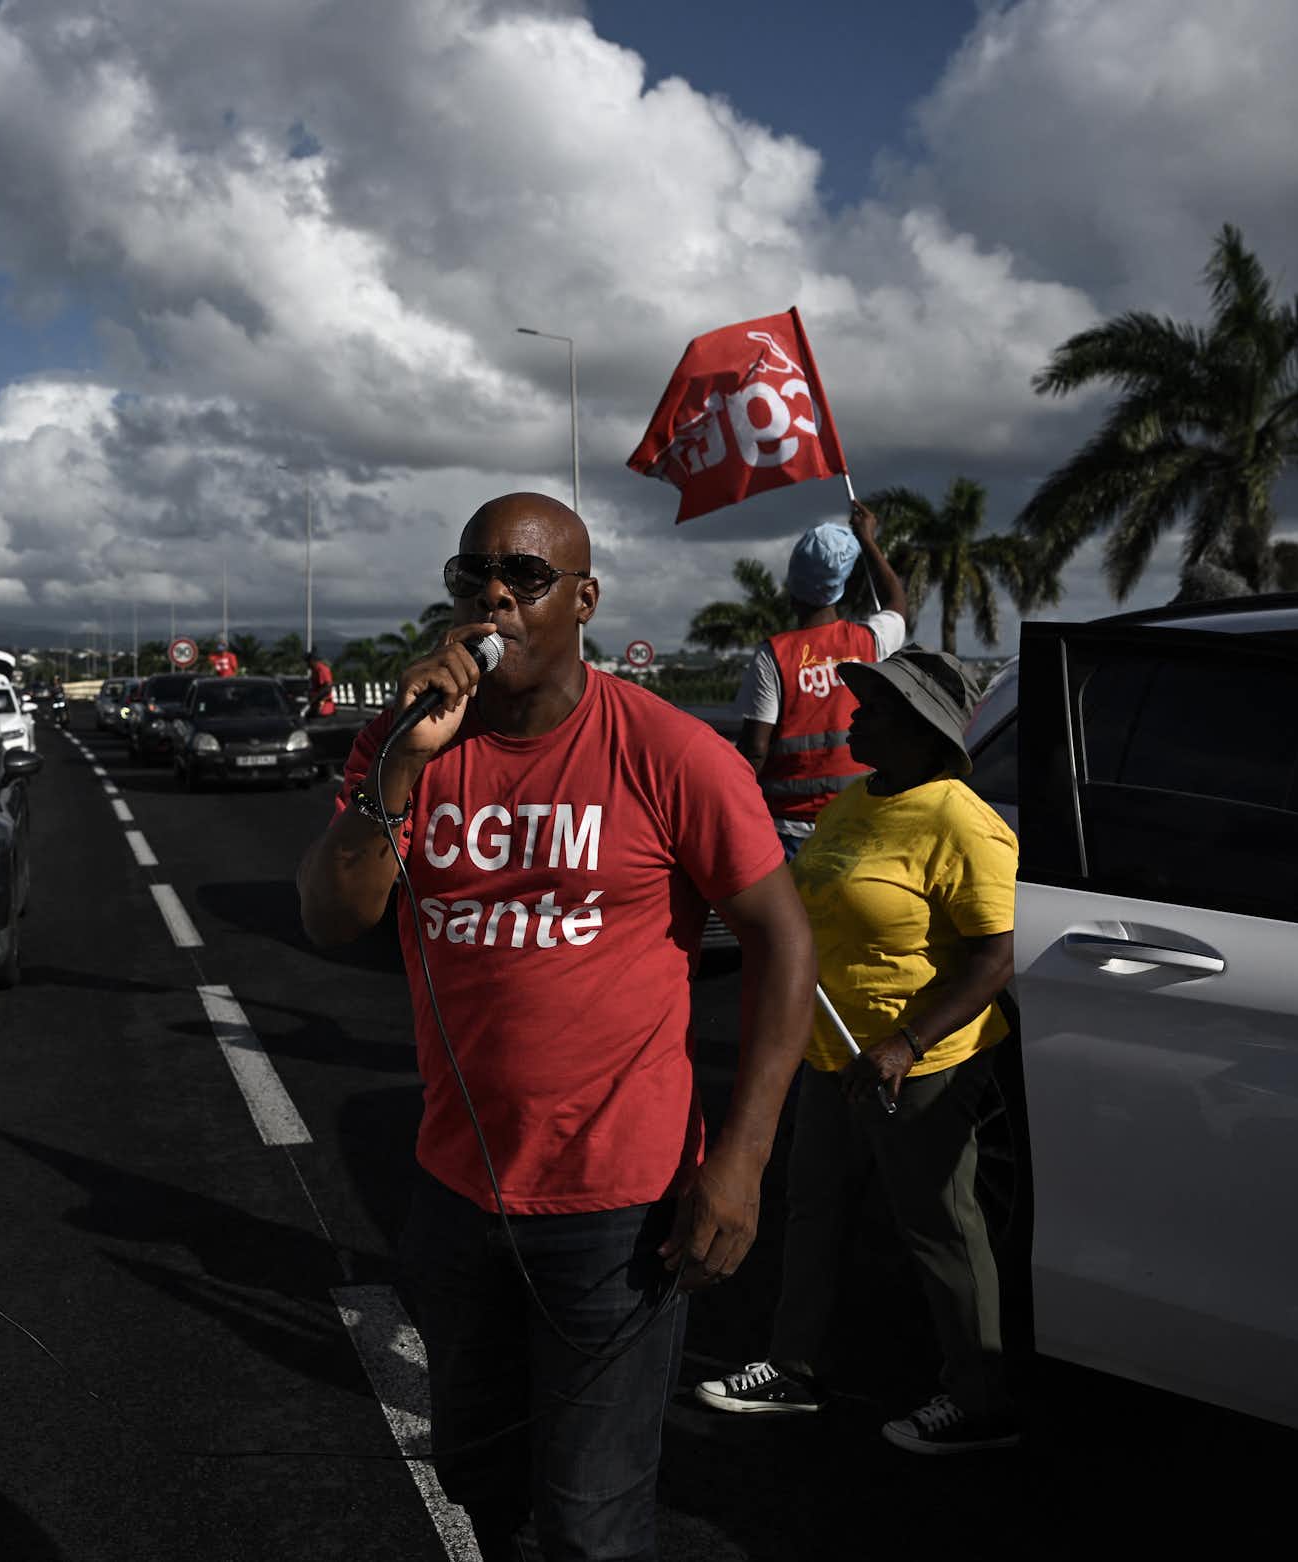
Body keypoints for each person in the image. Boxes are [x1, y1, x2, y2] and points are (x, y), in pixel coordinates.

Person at [296, 493, 814, 1561]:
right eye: (471, 572)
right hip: (454, 1188)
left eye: (525, 577)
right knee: (480, 1474)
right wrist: (398, 760)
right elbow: (330, 915)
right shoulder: (410, 747)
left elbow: (781, 941)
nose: (494, 594)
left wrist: (745, 1160)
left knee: (589, 1518)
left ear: (582, 599)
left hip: (617, 1211)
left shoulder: (669, 752)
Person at [693, 647, 1022, 1454]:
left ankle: (982, 1401)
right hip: (833, 1053)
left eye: (874, 710)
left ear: (920, 730)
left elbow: (997, 956)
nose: (853, 718)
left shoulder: (959, 819)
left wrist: (908, 1043)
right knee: (813, 1211)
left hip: (915, 1065)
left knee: (940, 1227)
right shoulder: (854, 803)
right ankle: (793, 1369)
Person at [735, 502, 908, 859]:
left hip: (789, 833)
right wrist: (868, 540)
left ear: (792, 585)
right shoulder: (871, 641)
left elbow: (754, 750)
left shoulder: (774, 655)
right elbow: (897, 603)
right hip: (860, 823)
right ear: (840, 585)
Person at [307, 645, 336, 719]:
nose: (307, 664)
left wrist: (316, 697)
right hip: (316, 706)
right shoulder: (314, 671)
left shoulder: (322, 669)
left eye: (308, 661)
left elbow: (328, 687)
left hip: (324, 708)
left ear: (312, 661)